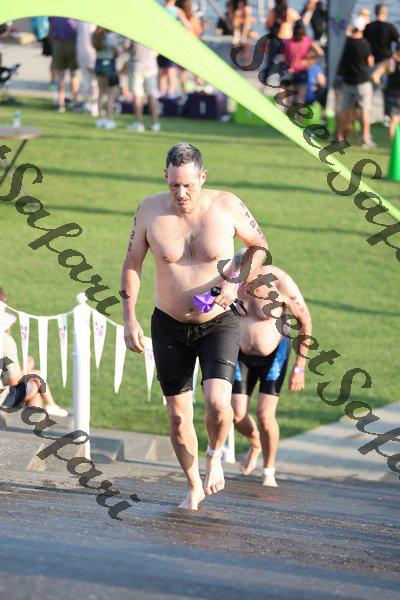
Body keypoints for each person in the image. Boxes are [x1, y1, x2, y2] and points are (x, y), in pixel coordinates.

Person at [121, 143, 268, 510]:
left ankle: (214, 455)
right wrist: (129, 317)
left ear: (203, 177)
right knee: (176, 415)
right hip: (168, 325)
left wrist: (236, 282)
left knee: (219, 404)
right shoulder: (149, 210)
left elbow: (259, 247)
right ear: (165, 178)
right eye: (174, 185)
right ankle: (192, 484)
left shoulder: (227, 205)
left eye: (188, 185)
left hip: (217, 321)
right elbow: (132, 263)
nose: (181, 193)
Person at [231, 249, 312, 487]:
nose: (241, 278)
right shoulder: (231, 283)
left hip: (273, 355)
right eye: (237, 272)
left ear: (258, 268)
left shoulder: (280, 282)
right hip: (240, 354)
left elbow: (305, 321)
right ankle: (255, 443)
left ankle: (268, 471)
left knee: (265, 416)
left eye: (245, 273)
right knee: (236, 414)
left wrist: (299, 367)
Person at [0, 290, 67, 416]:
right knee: (35, 383)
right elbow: (13, 380)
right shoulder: (5, 341)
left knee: (34, 379)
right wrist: (26, 369)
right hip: (2, 398)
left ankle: (47, 409)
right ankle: (48, 409)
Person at [338, 17, 375, 148]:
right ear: (361, 29)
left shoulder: (345, 44)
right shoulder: (365, 45)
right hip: (362, 81)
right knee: (365, 110)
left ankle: (340, 138)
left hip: (347, 81)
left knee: (344, 110)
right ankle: (365, 139)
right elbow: (370, 63)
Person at [283, 21, 324, 106]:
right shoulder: (307, 41)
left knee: (289, 99)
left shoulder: (288, 42)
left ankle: (286, 114)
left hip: (290, 71)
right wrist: (308, 59)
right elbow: (320, 52)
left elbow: (283, 57)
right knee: (300, 99)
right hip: (302, 71)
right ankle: (297, 115)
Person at [263, 0, 301, 84]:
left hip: (275, 40)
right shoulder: (290, 11)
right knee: (286, 64)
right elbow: (300, 24)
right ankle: (284, 85)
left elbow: (268, 25)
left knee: (269, 63)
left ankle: (264, 84)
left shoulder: (273, 11)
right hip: (287, 40)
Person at [126, 42, 160, 133]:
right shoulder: (154, 36)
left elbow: (127, 47)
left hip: (137, 66)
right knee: (152, 94)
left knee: (138, 95)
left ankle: (139, 123)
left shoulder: (134, 35)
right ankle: (155, 123)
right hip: (150, 66)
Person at [48, 17, 79, 113]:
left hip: (59, 44)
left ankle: (61, 104)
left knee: (62, 76)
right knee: (73, 75)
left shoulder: (54, 15)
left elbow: (50, 31)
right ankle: (73, 102)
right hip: (71, 43)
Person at [92, 27, 121, 129]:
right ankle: (109, 119)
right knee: (111, 94)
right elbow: (117, 52)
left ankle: (100, 118)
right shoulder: (110, 38)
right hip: (109, 65)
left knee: (101, 92)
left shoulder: (94, 36)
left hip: (99, 64)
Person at [364, 3, 399, 85]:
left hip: (371, 60)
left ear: (376, 12)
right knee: (383, 83)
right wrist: (397, 53)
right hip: (385, 60)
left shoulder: (368, 27)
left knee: (372, 82)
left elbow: (364, 42)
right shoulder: (389, 27)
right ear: (385, 13)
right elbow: (398, 41)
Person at [76, 21, 98, 116]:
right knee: (92, 81)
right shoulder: (90, 23)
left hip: (83, 53)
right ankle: (91, 104)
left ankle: (89, 103)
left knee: (87, 80)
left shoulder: (81, 22)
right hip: (89, 55)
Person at [383, 50, 400, 139]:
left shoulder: (390, 63)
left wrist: (382, 87)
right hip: (395, 95)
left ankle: (392, 143)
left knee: (393, 120)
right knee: (395, 120)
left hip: (391, 94)